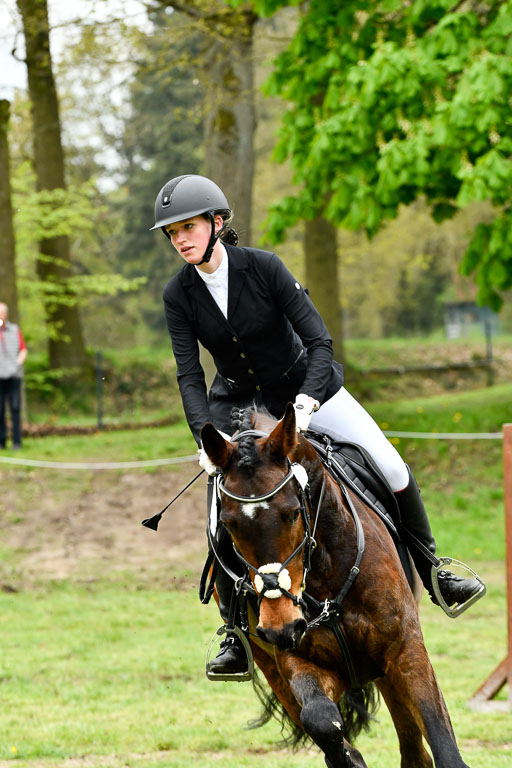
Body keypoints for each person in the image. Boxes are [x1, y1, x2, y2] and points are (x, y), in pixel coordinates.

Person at [152, 174, 483, 675]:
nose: (180, 239)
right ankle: (232, 632)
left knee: (391, 466)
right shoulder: (178, 294)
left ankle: (435, 573)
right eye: (172, 232)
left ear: (217, 224)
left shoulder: (264, 268)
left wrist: (307, 399)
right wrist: (205, 435)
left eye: (189, 227)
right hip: (239, 407)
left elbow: (320, 342)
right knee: (223, 508)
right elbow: (188, 372)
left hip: (307, 387)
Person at [0, 303, 27, 450]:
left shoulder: (14, 330)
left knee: (15, 409)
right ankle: (1, 442)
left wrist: (17, 364)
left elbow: (23, 350)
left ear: (6, 314)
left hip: (14, 376)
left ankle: (17, 442)